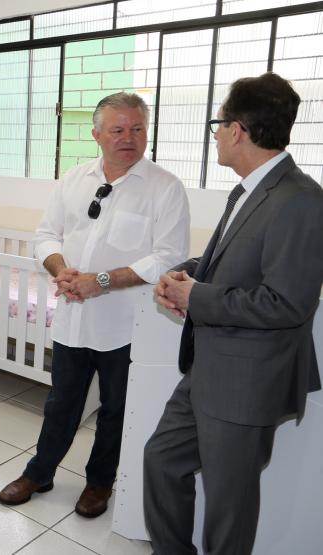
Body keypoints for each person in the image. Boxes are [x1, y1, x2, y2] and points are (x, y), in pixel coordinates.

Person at [145, 72, 323, 555]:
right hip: (208, 368)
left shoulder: (301, 200)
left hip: (246, 382)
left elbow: (287, 303)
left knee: (229, 504)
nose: (217, 135)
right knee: (161, 461)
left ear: (238, 129)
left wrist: (194, 298)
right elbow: (223, 261)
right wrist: (183, 274)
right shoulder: (248, 189)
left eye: (218, 124)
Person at [0, 93, 190, 518]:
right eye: (118, 129)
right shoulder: (73, 179)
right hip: (73, 317)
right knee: (61, 403)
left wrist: (101, 281)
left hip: (127, 324)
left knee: (116, 410)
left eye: (137, 128)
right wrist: (60, 268)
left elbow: (168, 256)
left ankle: (100, 482)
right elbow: (45, 234)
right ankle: (40, 472)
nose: (129, 138)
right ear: (97, 134)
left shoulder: (164, 187)